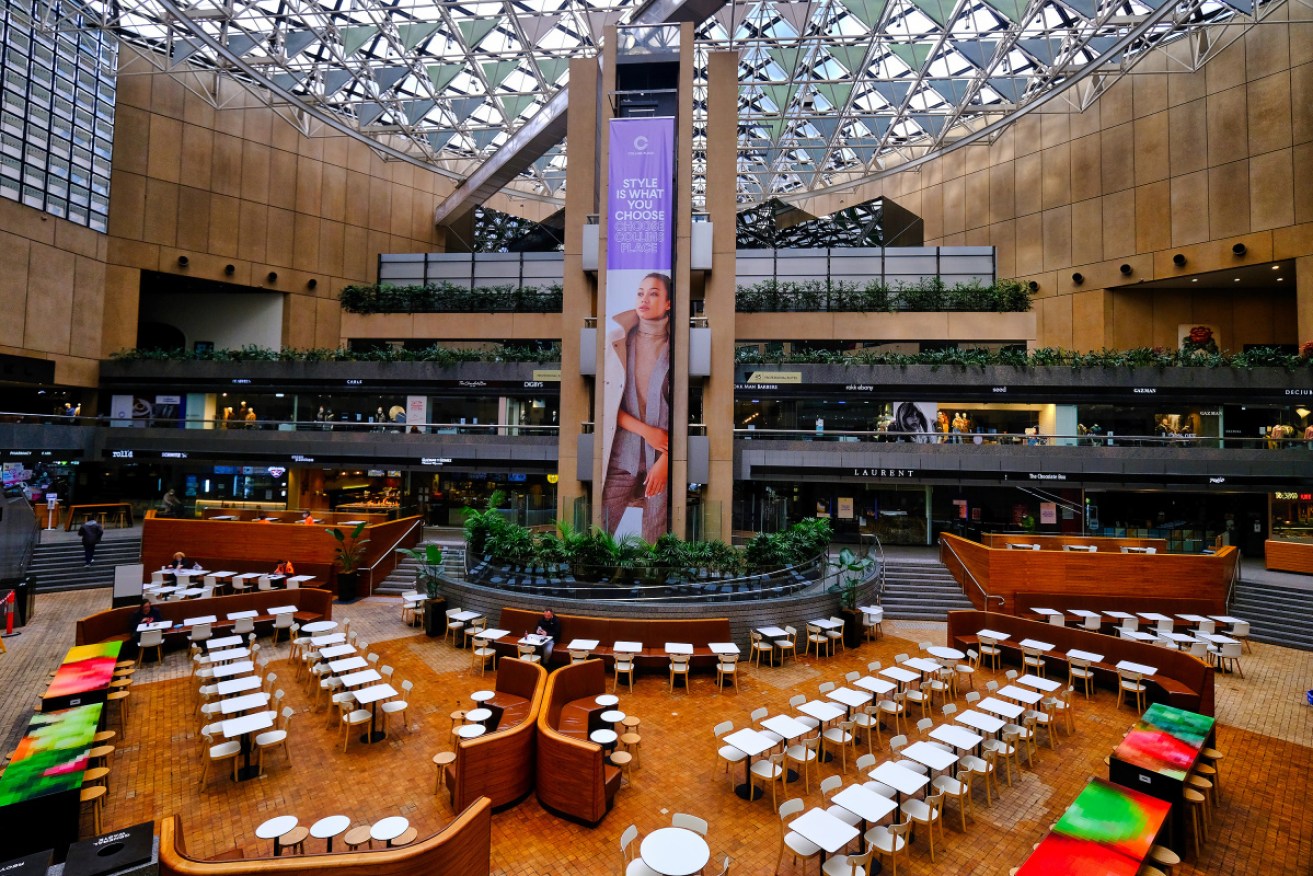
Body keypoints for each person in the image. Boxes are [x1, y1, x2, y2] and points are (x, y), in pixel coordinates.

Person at [601, 272, 672, 542]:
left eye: (654, 293)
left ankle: (652, 584)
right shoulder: (617, 341)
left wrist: (667, 459)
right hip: (622, 455)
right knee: (599, 527)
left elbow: (684, 409)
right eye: (640, 293)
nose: (644, 299)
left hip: (663, 458)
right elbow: (605, 402)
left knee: (655, 537)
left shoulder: (676, 346)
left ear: (667, 303)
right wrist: (646, 431)